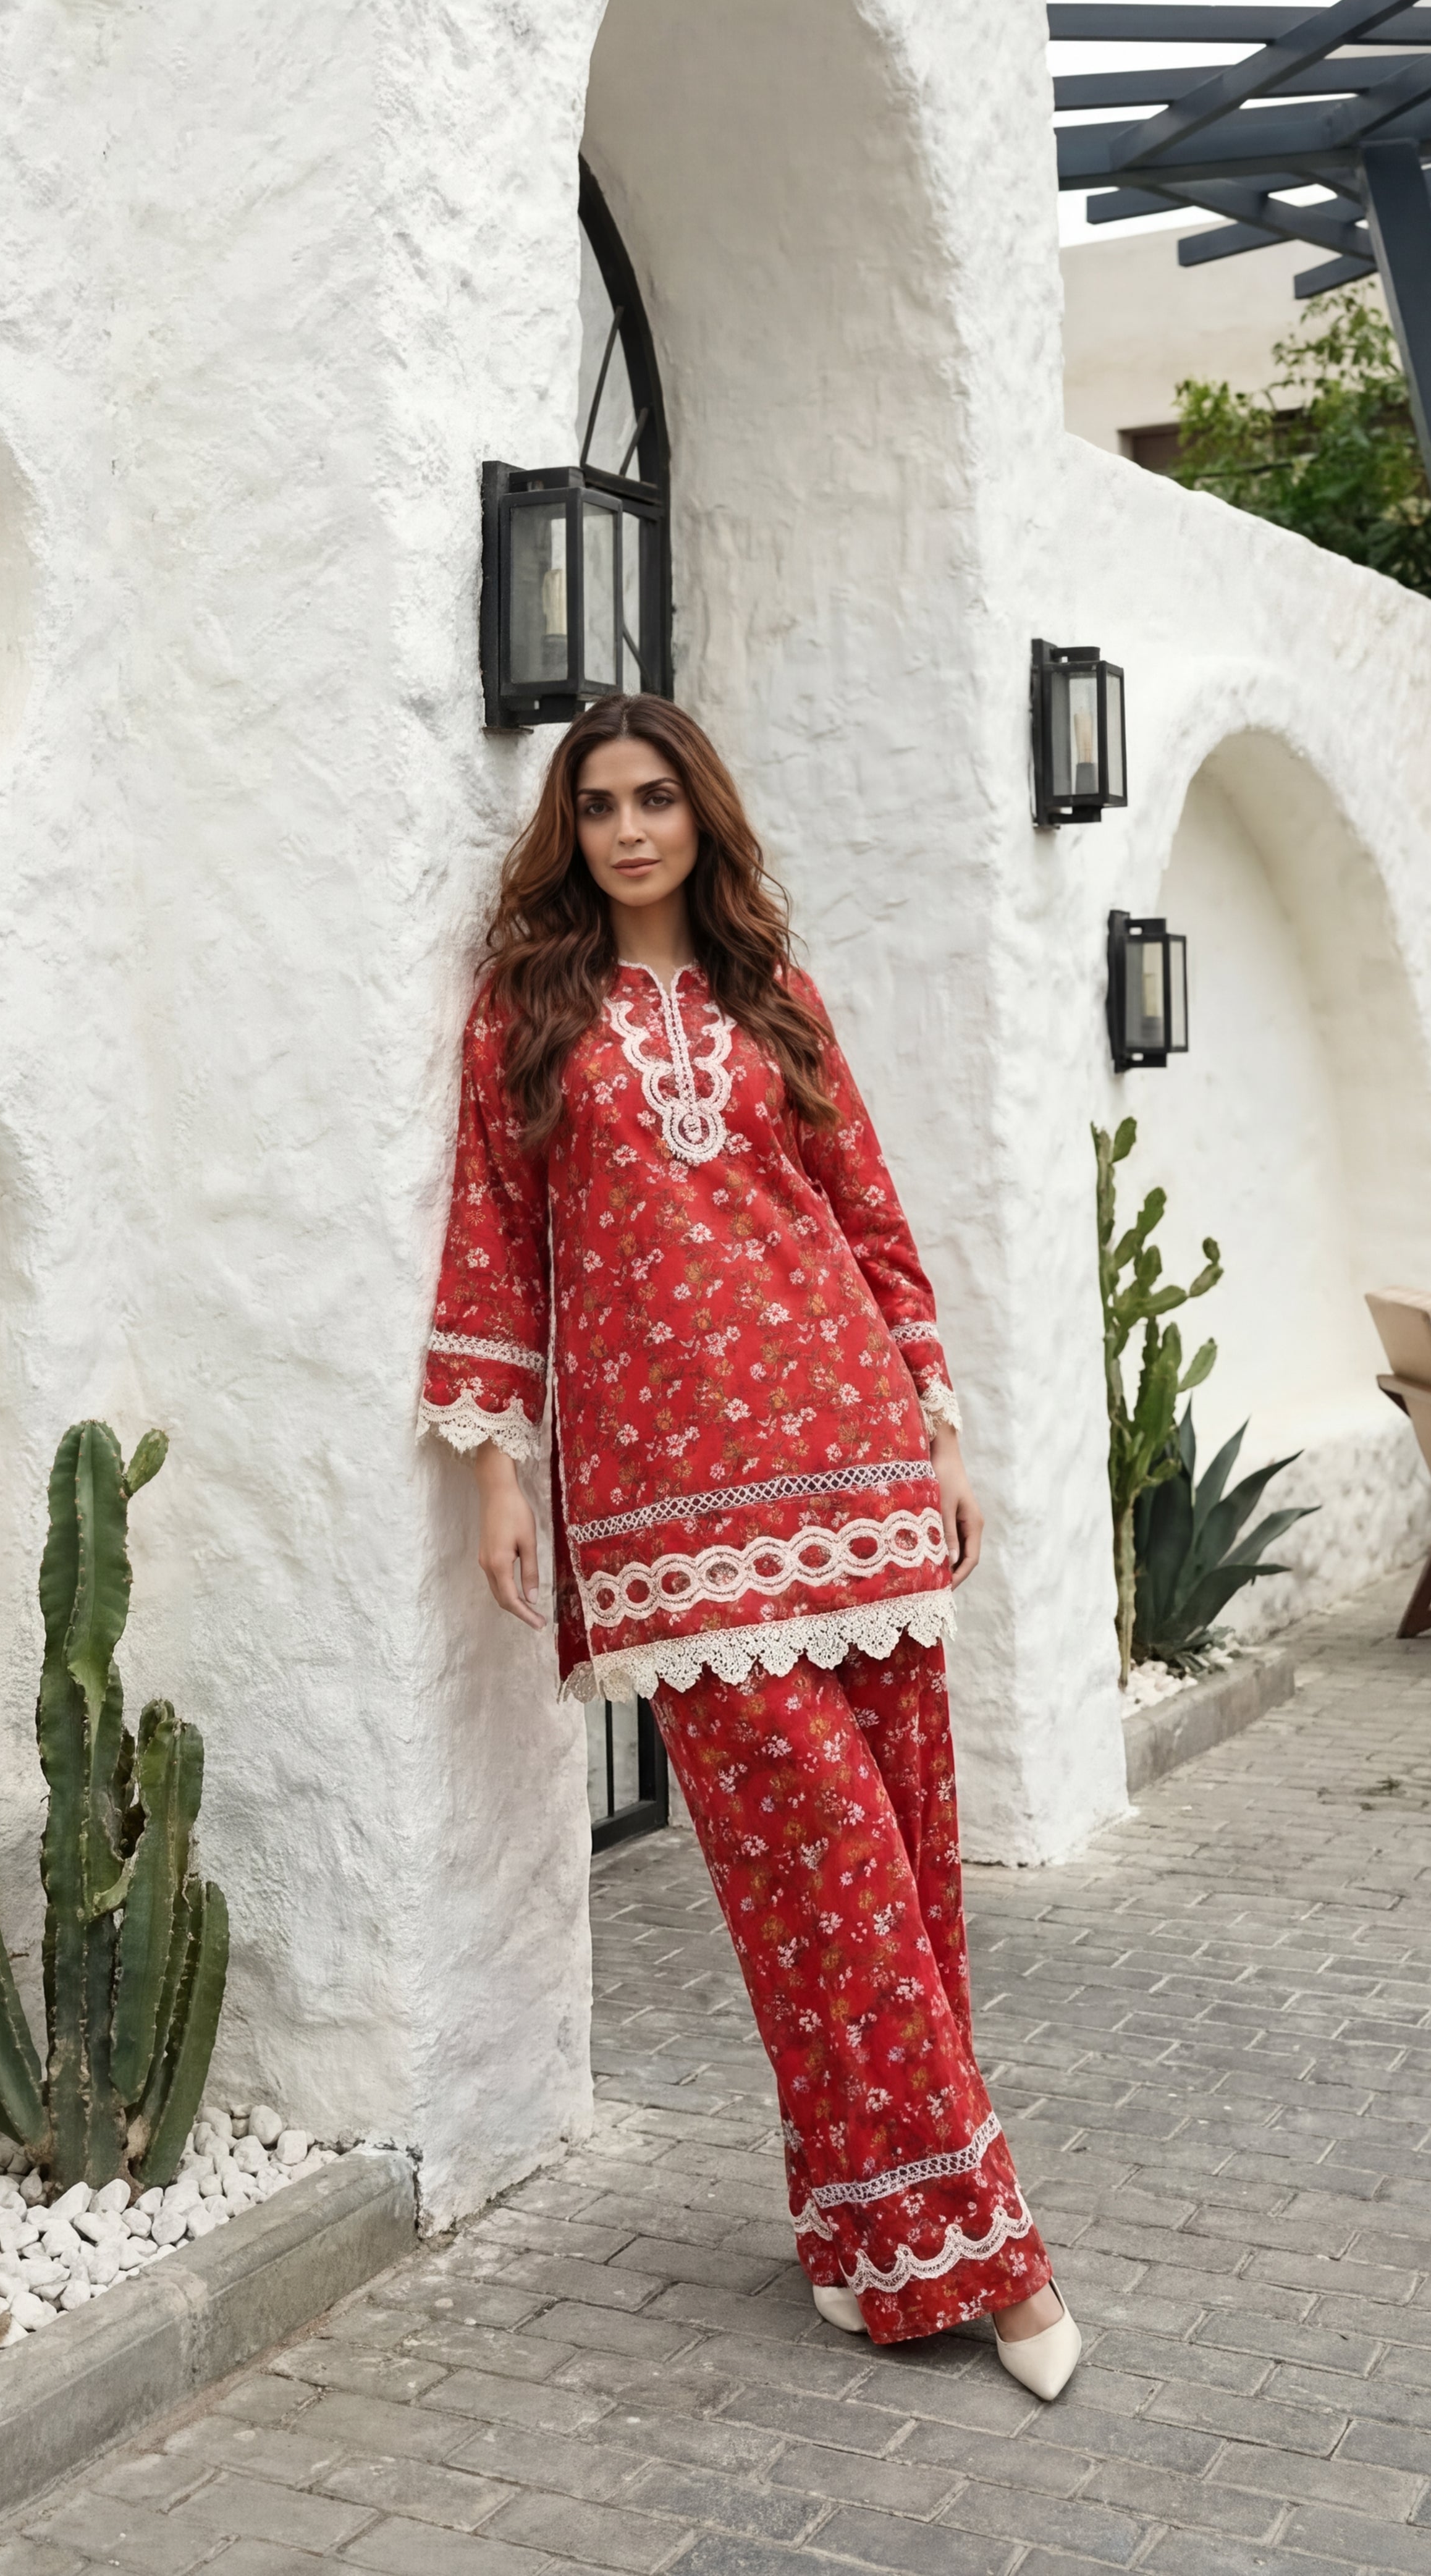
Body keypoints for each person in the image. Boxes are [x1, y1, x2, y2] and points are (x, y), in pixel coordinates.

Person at [421, 693, 1077, 2391]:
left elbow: (869, 1219)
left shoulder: (777, 1003)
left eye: (655, 799)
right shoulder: (529, 1015)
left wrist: (935, 1431)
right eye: (599, 807)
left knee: (906, 1888)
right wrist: (500, 1471)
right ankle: (992, 2260)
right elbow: (495, 1244)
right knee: (818, 1889)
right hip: (666, 1527)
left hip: (856, 1474)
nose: (629, 830)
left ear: (702, 816)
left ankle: (871, 2234)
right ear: (569, 834)